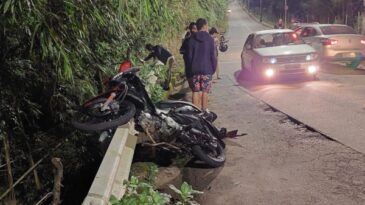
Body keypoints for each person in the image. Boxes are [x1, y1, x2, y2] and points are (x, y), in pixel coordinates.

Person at [187, 18, 217, 111]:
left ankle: (195, 112)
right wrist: (213, 69)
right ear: (204, 26)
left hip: (195, 70)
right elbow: (213, 56)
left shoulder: (191, 39)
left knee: (195, 91)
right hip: (207, 69)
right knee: (205, 91)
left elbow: (189, 57)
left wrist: (189, 71)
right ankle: (204, 111)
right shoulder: (210, 39)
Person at [180, 22, 197, 87]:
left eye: (196, 28)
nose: (195, 30)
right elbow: (181, 50)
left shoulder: (198, 39)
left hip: (193, 67)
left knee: (194, 88)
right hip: (190, 66)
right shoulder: (187, 39)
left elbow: (181, 51)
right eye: (194, 28)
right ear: (191, 29)